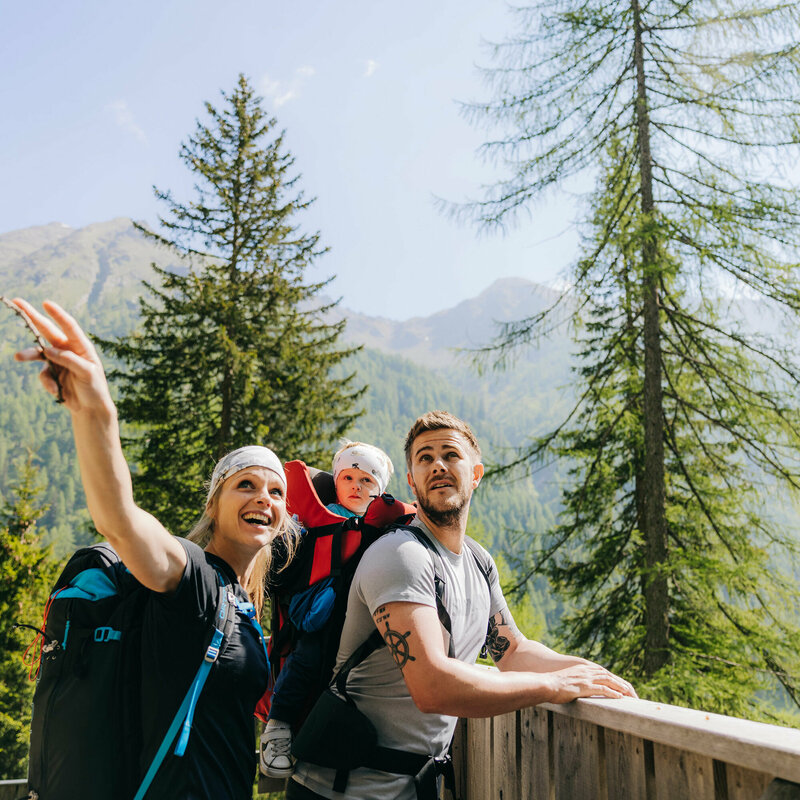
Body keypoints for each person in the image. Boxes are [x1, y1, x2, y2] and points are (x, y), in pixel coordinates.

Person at [12, 298, 299, 800]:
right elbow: (119, 520)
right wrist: (96, 410)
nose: (263, 498)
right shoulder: (194, 581)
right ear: (214, 505)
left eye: (276, 492)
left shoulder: (242, 603)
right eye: (245, 485)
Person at [289, 410, 637, 800]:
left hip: (411, 789)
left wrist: (590, 674)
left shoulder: (478, 561)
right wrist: (552, 685)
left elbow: (514, 650)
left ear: (475, 473)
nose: (437, 465)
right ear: (411, 481)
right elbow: (433, 686)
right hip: (340, 790)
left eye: (450, 455)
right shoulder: (401, 555)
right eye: (424, 458)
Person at [261, 441, 394, 777]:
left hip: (363, 621)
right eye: (348, 477)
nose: (356, 486)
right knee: (305, 661)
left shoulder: (386, 528)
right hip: (318, 620)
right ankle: (277, 728)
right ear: (336, 481)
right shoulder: (316, 518)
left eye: (367, 481)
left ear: (378, 492)